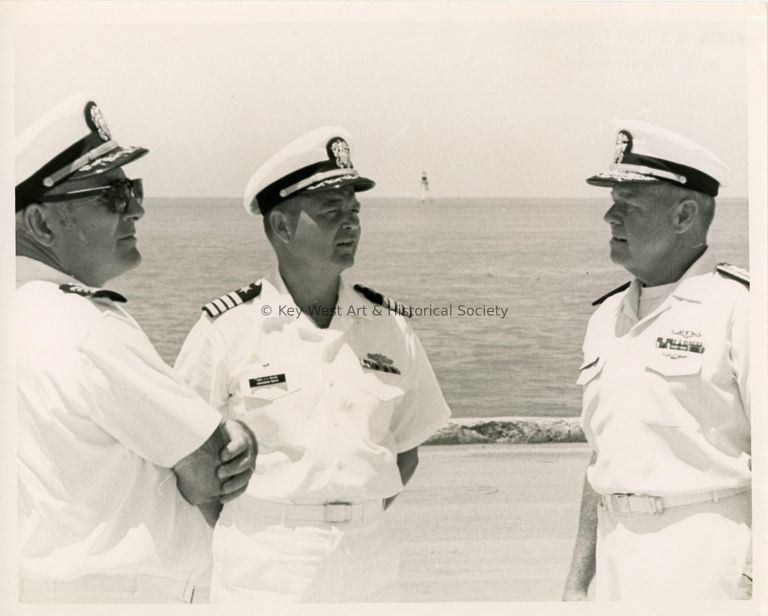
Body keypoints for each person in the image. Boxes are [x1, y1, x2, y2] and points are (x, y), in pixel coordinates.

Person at [174, 126, 451, 603]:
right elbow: (182, 452)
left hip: (368, 556)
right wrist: (263, 522)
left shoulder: (388, 326)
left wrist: (353, 514)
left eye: (354, 211)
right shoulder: (228, 328)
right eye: (331, 212)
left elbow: (407, 448)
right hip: (265, 559)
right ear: (281, 227)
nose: (351, 224)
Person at [15, 93, 258, 603]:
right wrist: (233, 433)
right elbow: (212, 470)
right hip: (128, 594)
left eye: (133, 189)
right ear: (39, 225)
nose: (137, 209)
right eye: (112, 196)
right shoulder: (85, 327)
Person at [562, 121, 751, 600]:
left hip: (708, 559)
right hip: (615, 559)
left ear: (684, 215)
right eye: (611, 204)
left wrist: (754, 577)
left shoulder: (744, 310)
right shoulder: (607, 316)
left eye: (628, 205)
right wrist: (577, 582)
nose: (610, 218)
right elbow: (602, 456)